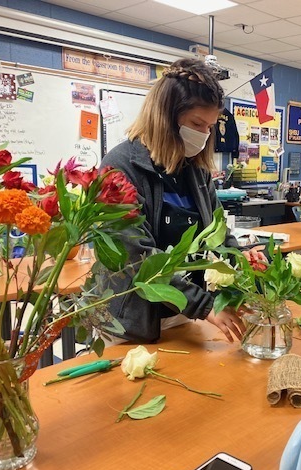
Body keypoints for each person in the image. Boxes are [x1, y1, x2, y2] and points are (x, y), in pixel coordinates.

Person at [100, 58, 262, 344]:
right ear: (165, 117)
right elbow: (137, 259)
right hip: (132, 322)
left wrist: (241, 257)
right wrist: (205, 306)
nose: (204, 135)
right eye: (197, 124)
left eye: (210, 127)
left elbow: (217, 231)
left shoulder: (195, 170)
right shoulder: (120, 168)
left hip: (183, 312)